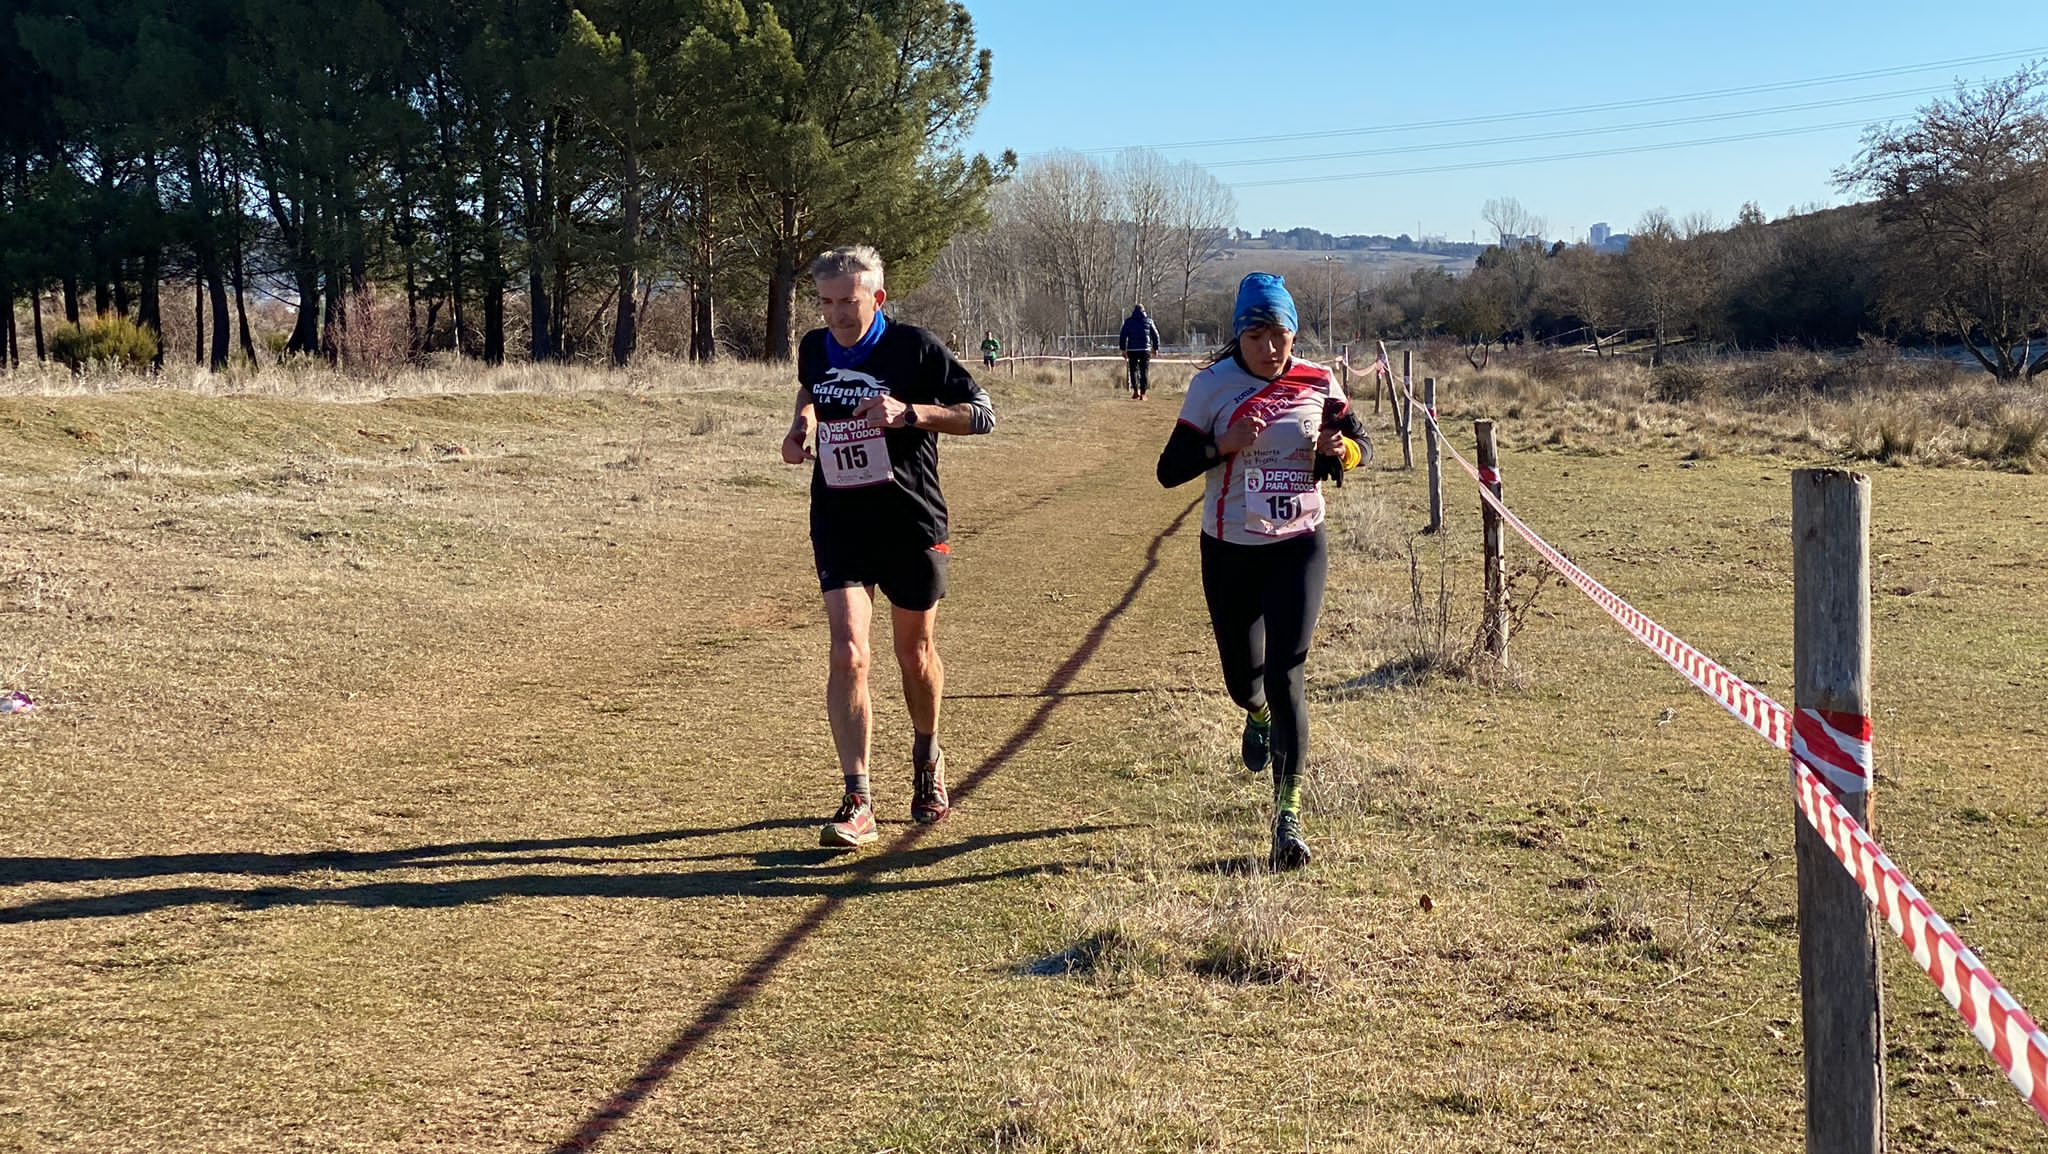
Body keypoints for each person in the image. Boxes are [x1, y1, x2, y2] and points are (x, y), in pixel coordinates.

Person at [780, 245, 997, 848]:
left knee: (914, 654)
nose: (837, 316)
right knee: (849, 654)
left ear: (876, 298)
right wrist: (803, 426)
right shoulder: (814, 347)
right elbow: (810, 391)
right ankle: (858, 798)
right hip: (840, 517)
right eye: (825, 303)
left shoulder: (915, 347)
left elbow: (983, 415)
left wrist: (911, 414)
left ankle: (927, 757)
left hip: (910, 519)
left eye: (848, 302)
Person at [1153, 272, 1369, 870]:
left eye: (1280, 335)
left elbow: (1359, 445)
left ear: (1294, 333)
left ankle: (1288, 816)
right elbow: (1168, 471)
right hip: (1230, 549)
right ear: (1238, 337)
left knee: (1287, 673)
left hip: (1300, 544)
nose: (1270, 349)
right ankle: (1255, 716)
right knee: (1242, 681)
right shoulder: (1212, 387)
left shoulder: (1319, 380)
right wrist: (1223, 444)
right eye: (1256, 336)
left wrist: (1340, 451)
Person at [1118, 304, 1160, 400]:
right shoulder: (1149, 321)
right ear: (1144, 311)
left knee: (1133, 371)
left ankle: (1135, 391)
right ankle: (1143, 394)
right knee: (1144, 371)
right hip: (1145, 350)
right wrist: (1155, 348)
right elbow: (1155, 335)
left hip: (1132, 350)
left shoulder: (1128, 322)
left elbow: (1123, 336)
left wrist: (1123, 349)